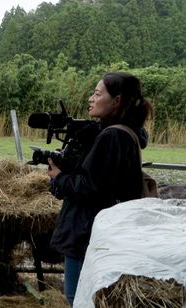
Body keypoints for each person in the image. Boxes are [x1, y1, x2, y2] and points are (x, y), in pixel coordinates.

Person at [47, 72, 153, 306]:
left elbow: (91, 188)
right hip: (101, 232)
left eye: (97, 93)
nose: (90, 99)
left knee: (79, 299)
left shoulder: (113, 136)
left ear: (117, 101)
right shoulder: (125, 132)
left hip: (88, 232)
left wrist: (59, 177)